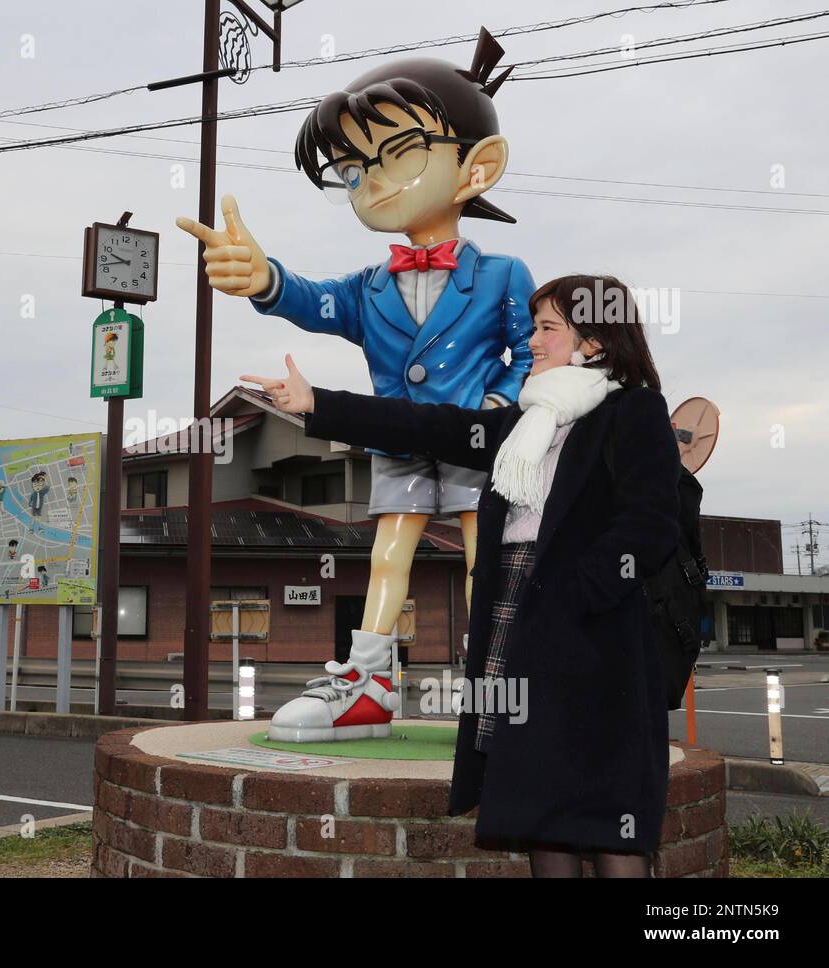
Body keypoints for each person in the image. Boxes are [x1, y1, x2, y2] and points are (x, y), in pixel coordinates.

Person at [241, 274, 680, 877]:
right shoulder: (527, 422)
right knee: (538, 807)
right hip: (515, 628)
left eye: (548, 327)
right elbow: (430, 426)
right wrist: (318, 403)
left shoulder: (634, 411)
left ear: (596, 341)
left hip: (594, 635)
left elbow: (651, 525)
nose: (532, 340)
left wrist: (575, 595)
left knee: (607, 812)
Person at [177, 27, 534, 743]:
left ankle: (498, 680)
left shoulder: (502, 275)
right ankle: (368, 682)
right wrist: (264, 278)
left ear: (478, 167)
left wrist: (499, 405)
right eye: (350, 169)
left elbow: (528, 353)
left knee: (482, 554)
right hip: (397, 445)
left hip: (472, 441)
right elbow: (311, 298)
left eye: (398, 154)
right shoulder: (369, 286)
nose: (368, 180)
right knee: (387, 553)